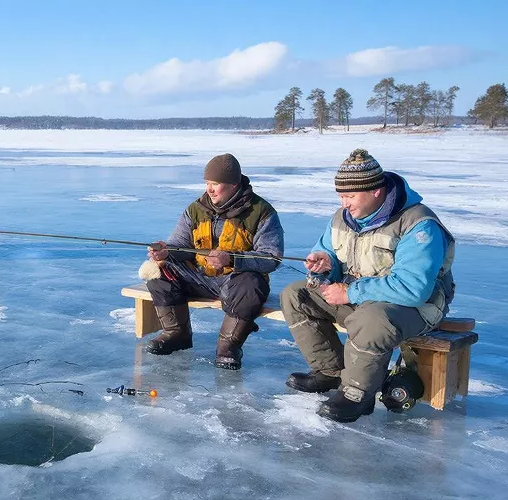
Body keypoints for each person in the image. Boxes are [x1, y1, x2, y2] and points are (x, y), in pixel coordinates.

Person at [281, 149, 455, 423]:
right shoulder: (342, 217)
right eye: (341, 196)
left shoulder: (419, 224)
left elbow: (413, 288)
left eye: (350, 196)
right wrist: (325, 263)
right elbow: (328, 251)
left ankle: (356, 394)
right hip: (361, 299)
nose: (344, 203)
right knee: (296, 295)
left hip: (416, 307)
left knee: (372, 319)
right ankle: (330, 372)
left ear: (376, 190)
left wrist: (350, 292)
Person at [141, 153, 284, 370]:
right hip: (198, 276)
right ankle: (176, 333)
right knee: (159, 270)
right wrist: (166, 252)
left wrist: (232, 259)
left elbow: (271, 258)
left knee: (251, 284)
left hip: (235, 282)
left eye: (216, 184)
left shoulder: (261, 212)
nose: (209, 189)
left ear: (234, 185)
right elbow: (181, 243)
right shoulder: (196, 209)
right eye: (207, 183)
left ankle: (228, 347)